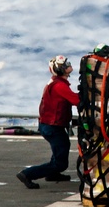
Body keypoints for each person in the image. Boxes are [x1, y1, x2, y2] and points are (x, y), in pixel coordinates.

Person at [16, 55, 81, 189]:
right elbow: (76, 100)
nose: (68, 65)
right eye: (65, 64)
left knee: (61, 148)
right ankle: (27, 174)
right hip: (52, 127)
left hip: (50, 125)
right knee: (61, 162)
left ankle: (53, 174)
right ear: (60, 69)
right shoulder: (59, 86)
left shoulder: (56, 83)